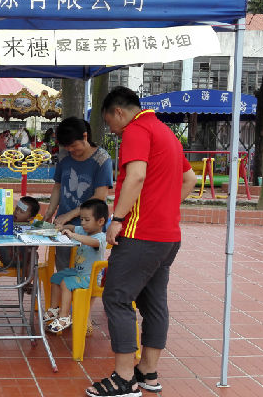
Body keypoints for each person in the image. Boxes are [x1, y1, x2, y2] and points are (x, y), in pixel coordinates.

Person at [85, 86, 195, 397]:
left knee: (117, 298)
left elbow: (135, 176)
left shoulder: (136, 130)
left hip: (140, 235)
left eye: (110, 123)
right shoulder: (166, 133)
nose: (113, 131)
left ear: (118, 112)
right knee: (153, 302)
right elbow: (190, 179)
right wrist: (164, 208)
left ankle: (123, 379)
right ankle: (147, 371)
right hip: (167, 236)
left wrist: (117, 219)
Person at [44, 116, 113, 273]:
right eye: (66, 147)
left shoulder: (102, 160)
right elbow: (58, 186)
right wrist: (49, 212)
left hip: (90, 227)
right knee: (63, 270)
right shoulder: (64, 157)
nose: (70, 150)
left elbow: (99, 197)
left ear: (85, 136)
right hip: (63, 225)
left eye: (73, 146)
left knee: (84, 271)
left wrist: (69, 215)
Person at [43, 199, 107, 334]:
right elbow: (73, 227)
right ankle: (54, 309)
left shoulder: (101, 237)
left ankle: (64, 316)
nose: (82, 223)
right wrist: (63, 227)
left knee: (66, 283)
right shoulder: (82, 230)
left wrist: (74, 235)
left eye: (87, 220)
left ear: (100, 221)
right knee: (56, 277)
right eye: (81, 219)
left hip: (90, 278)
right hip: (78, 273)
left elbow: (93, 242)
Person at [0, 196, 41, 292]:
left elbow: (36, 246)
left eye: (21, 212)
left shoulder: (31, 227)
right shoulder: (6, 221)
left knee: (34, 255)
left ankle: (27, 282)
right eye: (16, 209)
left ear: (30, 218)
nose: (17, 212)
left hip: (23, 260)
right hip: (5, 256)